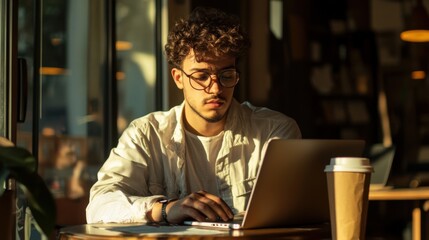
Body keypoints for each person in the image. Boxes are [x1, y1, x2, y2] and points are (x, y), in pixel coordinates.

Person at [86, 7, 301, 224]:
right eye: (201, 76)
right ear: (178, 78)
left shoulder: (272, 132)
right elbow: (99, 206)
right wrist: (166, 209)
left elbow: (298, 210)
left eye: (226, 75)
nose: (215, 88)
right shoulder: (146, 134)